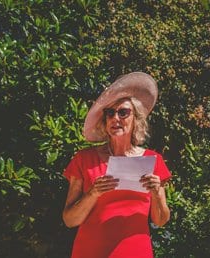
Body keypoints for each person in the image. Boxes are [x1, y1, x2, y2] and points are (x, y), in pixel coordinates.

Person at [62, 72, 172, 258]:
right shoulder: (84, 159)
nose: (116, 118)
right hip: (91, 250)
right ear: (104, 121)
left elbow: (160, 220)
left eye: (123, 112)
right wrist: (93, 193)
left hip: (135, 251)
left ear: (135, 119)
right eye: (110, 113)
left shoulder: (152, 160)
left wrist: (156, 193)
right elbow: (70, 220)